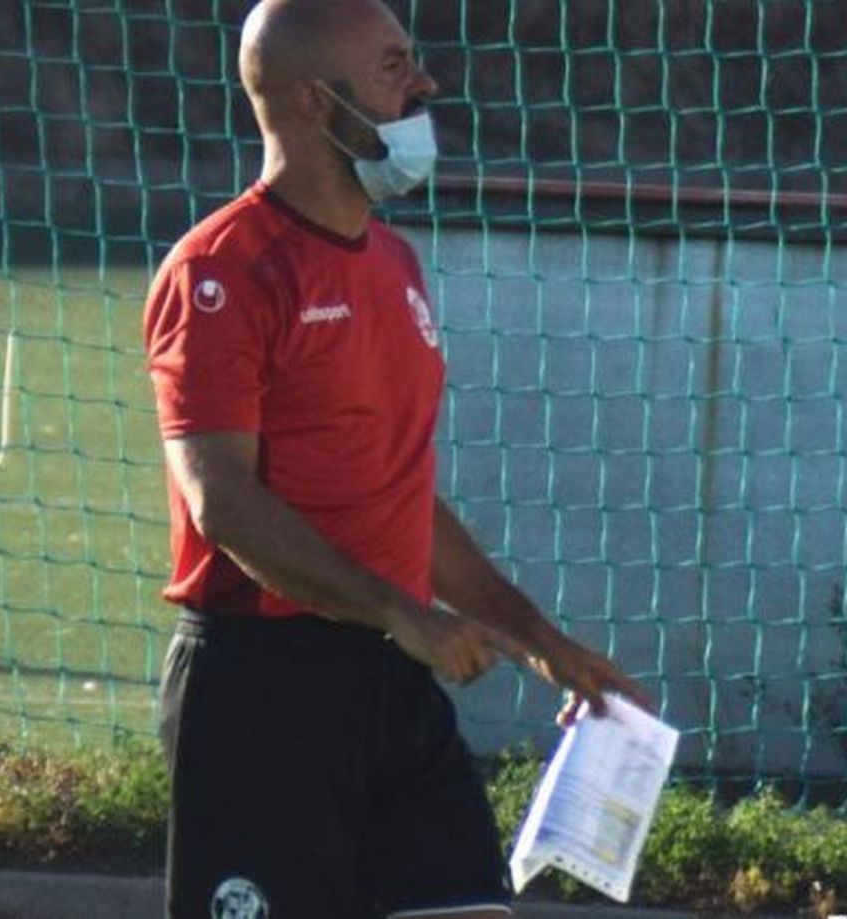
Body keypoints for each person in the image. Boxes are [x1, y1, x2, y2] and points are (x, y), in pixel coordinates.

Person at [142, 0, 652, 916]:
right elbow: (223, 502)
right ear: (314, 104)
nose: (424, 83)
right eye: (390, 67)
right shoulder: (220, 270)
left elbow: (402, 497)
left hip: (389, 680)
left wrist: (543, 642)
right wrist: (399, 611)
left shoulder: (395, 264)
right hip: (262, 691)